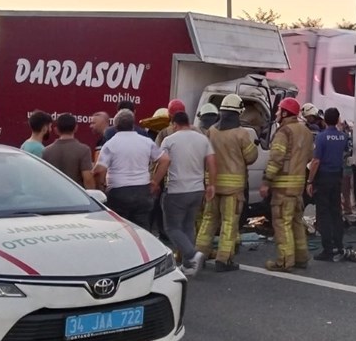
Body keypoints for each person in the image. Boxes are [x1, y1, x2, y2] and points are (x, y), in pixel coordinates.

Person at [194, 93, 258, 272]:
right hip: (233, 189)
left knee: (208, 220)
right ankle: (224, 259)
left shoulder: (211, 131)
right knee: (229, 222)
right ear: (238, 113)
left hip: (213, 186)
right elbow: (251, 157)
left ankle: (200, 254)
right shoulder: (241, 134)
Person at [152, 111, 216, 277]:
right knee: (188, 225)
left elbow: (163, 163)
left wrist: (155, 181)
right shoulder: (202, 139)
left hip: (176, 190)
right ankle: (189, 265)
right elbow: (211, 162)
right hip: (197, 190)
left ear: (174, 124)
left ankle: (193, 255)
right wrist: (211, 185)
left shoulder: (169, 140)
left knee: (172, 227)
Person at [258, 97, 314, 272]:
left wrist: (266, 181)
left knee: (282, 224)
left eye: (279, 110)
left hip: (283, 188)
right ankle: (301, 258)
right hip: (298, 188)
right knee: (296, 223)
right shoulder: (305, 131)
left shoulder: (284, 132)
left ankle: (284, 261)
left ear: (285, 113)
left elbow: (276, 159)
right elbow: (310, 157)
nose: (276, 113)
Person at [93, 109, 161, 228]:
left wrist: (101, 186)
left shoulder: (110, 144)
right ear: (132, 124)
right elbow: (165, 159)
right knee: (142, 230)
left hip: (118, 192)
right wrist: (155, 181)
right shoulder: (146, 142)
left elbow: (99, 170)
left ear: (115, 125)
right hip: (142, 191)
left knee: (119, 229)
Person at [308, 107, 348, 261]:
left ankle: (328, 249)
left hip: (323, 177)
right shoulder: (343, 137)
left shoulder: (321, 137)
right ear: (338, 119)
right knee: (336, 212)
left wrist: (310, 180)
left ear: (324, 119)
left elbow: (316, 161)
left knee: (323, 213)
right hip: (337, 176)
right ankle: (339, 245)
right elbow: (345, 153)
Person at [42, 113, 96, 189]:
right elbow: (87, 178)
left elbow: (44, 178)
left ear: (56, 130)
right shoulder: (84, 150)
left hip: (53, 195)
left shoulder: (46, 151)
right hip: (76, 196)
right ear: (76, 128)